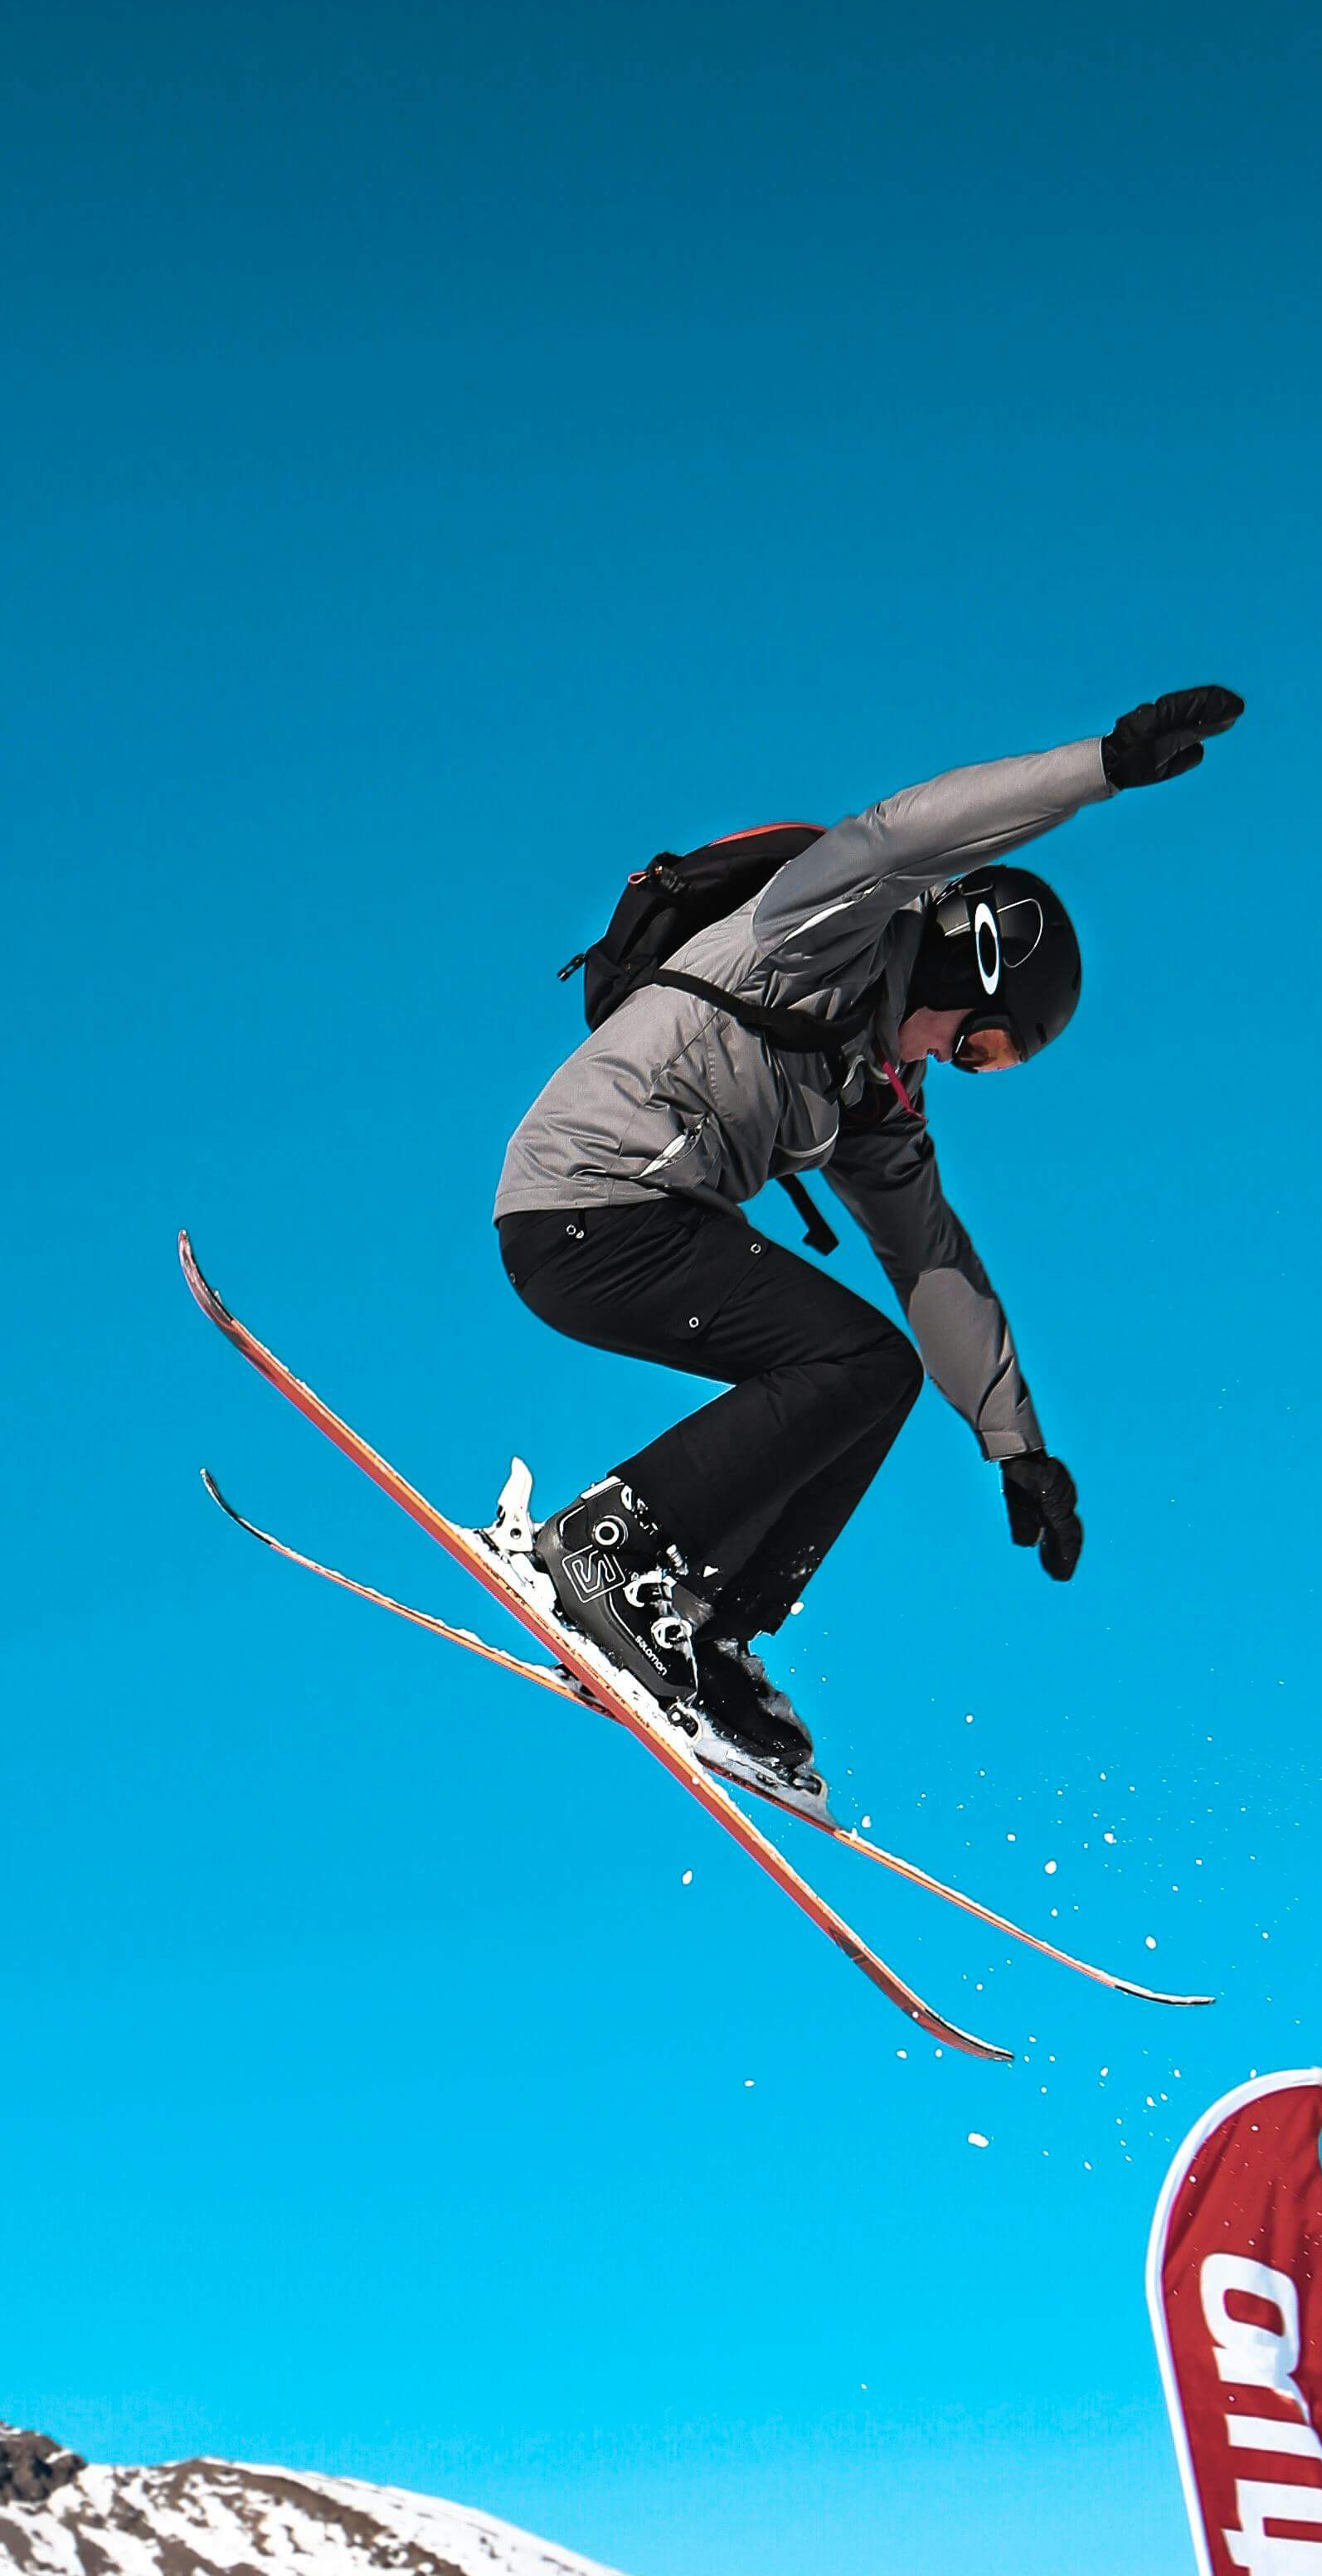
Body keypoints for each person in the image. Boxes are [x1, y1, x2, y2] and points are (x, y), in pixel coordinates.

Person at [491, 686, 1244, 1794]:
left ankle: (702, 1631)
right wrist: (1102, 768)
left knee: (873, 1372)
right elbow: (903, 835)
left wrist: (1017, 1445)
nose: (966, 1070)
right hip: (584, 1199)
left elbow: (931, 1256)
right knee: (850, 1360)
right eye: (983, 1046)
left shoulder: (869, 1094)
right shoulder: (816, 934)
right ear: (970, 961)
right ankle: (603, 1550)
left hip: (629, 1224)